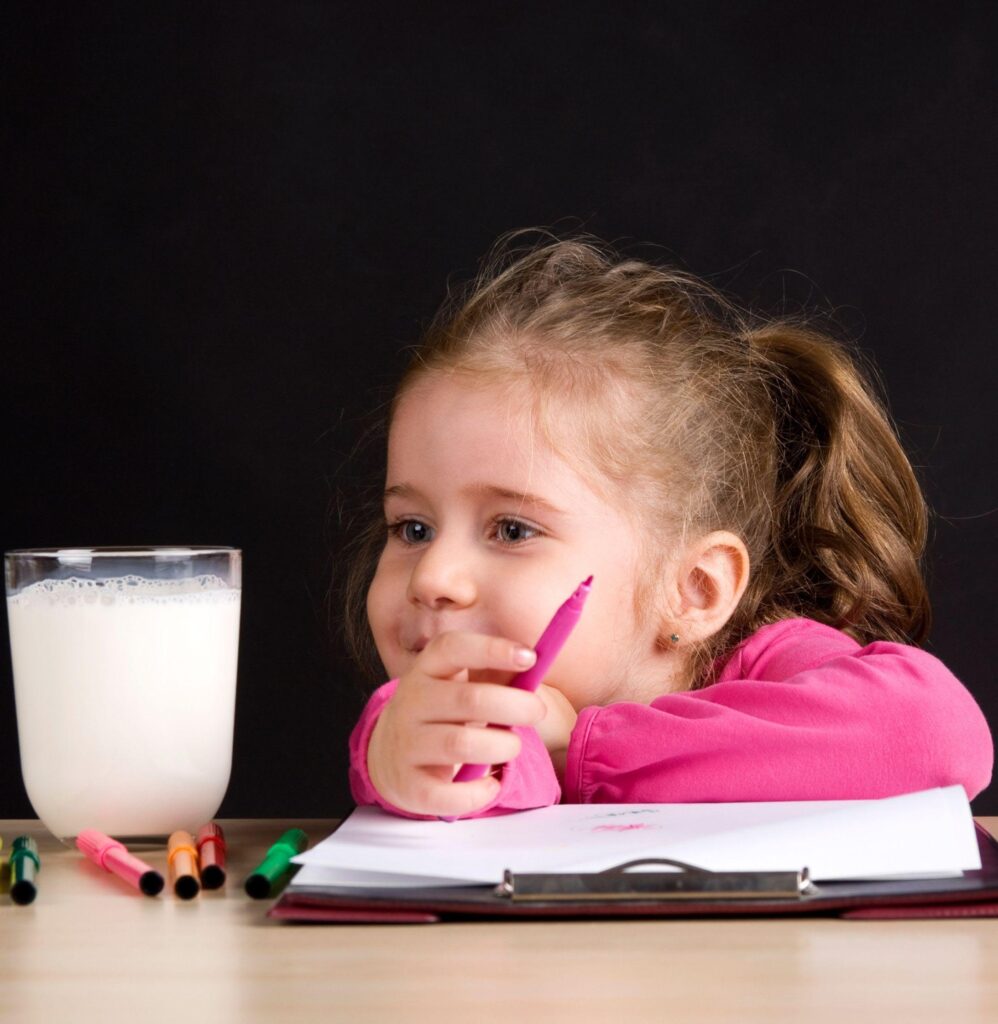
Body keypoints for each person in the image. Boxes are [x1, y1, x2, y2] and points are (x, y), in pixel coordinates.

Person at [342, 230, 993, 820]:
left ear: (695, 590)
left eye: (512, 530)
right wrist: (393, 749)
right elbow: (466, 779)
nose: (433, 577)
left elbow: (937, 731)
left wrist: (582, 752)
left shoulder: (770, 666)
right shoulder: (479, 728)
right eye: (413, 528)